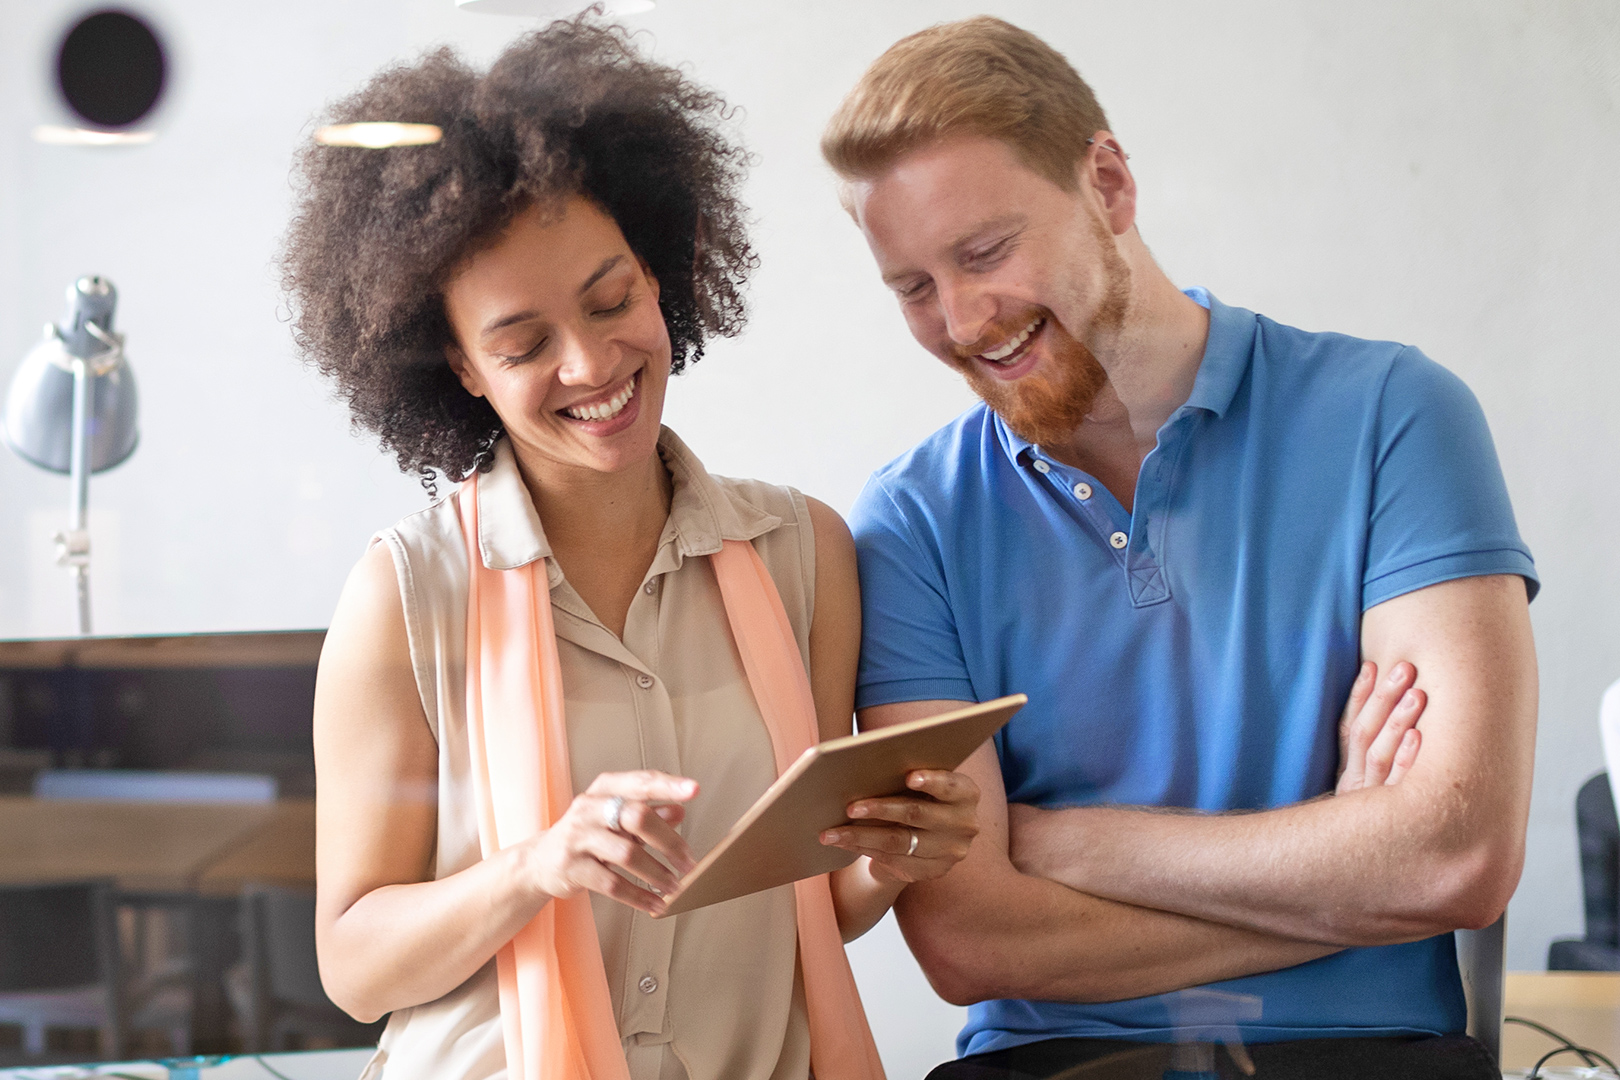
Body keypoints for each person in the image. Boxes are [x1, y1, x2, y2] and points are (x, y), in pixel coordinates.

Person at [820, 16, 1538, 1080]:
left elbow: (1456, 856)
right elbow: (972, 942)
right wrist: (1344, 867)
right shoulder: (908, 521)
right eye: (913, 288)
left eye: (985, 253)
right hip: (1054, 1062)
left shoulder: (1397, 417)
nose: (963, 320)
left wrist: (1069, 842)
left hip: (1369, 1057)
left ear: (1107, 182)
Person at [281, 21, 981, 1080]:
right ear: (461, 368)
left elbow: (816, 907)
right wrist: (538, 867)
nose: (592, 363)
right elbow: (355, 965)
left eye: (613, 301)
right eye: (521, 345)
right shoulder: (408, 593)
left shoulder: (805, 552)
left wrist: (892, 860)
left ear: (662, 275)